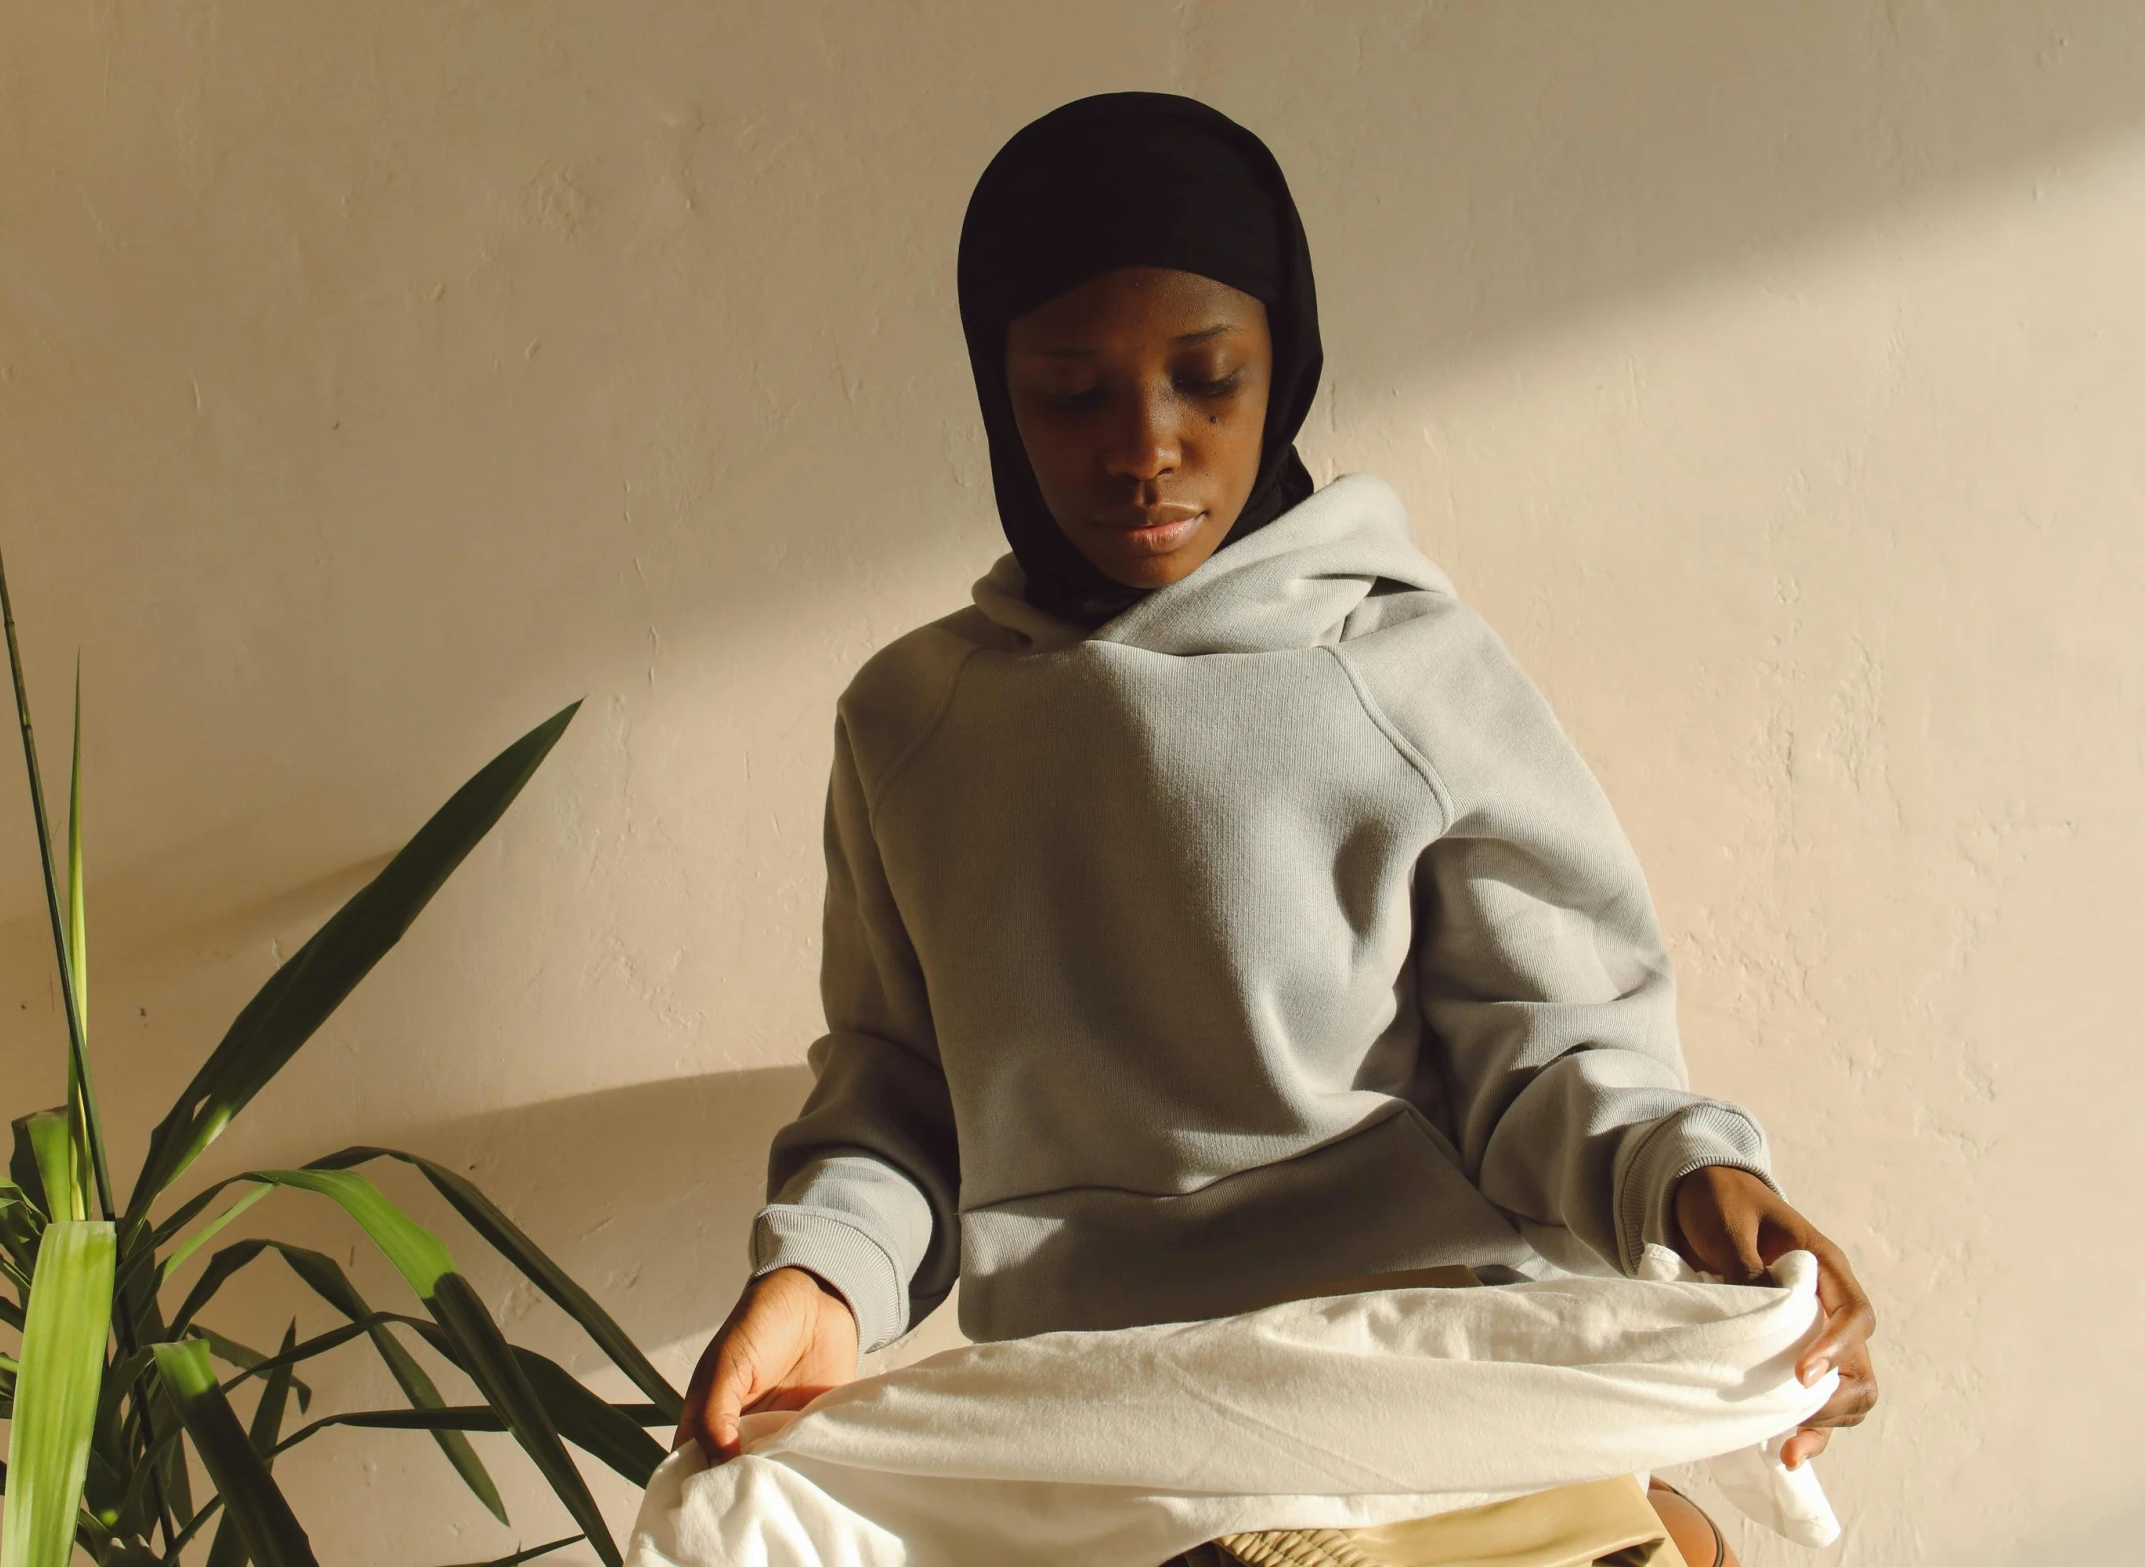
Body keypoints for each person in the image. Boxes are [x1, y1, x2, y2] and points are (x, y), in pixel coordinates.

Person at [677, 92, 1877, 1565]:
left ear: (1283, 365)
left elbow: (1550, 1056)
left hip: (1426, 1354)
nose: (1146, 448)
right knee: (725, 1519)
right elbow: (895, 1105)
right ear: (998, 392)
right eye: (1071, 390)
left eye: (1207, 379)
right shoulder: (913, 724)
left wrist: (1697, 1180)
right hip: (1108, 1395)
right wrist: (821, 1281)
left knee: (1682, 1522)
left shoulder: (1408, 674)